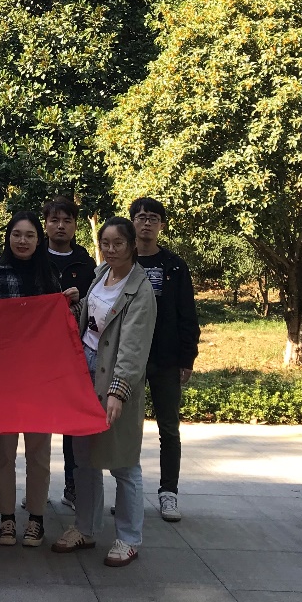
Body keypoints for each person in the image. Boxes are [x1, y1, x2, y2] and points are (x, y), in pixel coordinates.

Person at [52, 216, 156, 568]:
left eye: (118, 244)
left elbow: (133, 347)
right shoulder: (100, 274)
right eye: (105, 243)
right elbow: (93, 321)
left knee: (123, 463)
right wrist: (76, 304)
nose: (111, 250)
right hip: (85, 372)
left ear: (132, 246)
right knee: (84, 459)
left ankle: (128, 538)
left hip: (114, 377)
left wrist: (118, 391)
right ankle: (85, 528)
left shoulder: (140, 290)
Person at [0, 211, 67, 548]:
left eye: (29, 235)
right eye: (16, 234)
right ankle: (7, 519)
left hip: (40, 379)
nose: (22, 241)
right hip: (3, 381)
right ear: (8, 238)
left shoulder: (49, 276)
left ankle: (36, 519)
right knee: (4, 452)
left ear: (38, 240)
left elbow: (61, 326)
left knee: (39, 454)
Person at [129, 196, 200, 523]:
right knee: (127, 428)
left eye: (153, 218)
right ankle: (128, 492)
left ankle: (168, 492)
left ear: (161, 225)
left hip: (167, 358)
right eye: (141, 217)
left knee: (169, 429)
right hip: (130, 357)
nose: (146, 223)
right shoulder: (122, 262)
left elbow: (188, 314)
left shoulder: (174, 266)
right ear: (132, 221)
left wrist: (188, 357)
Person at [42, 195, 98, 512]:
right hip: (39, 353)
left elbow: (97, 305)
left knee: (71, 425)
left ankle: (72, 486)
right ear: (46, 224)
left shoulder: (86, 263)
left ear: (76, 225)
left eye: (67, 220)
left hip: (76, 354)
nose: (60, 226)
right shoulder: (34, 257)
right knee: (37, 424)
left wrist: (81, 298)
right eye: (55, 220)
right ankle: (36, 490)